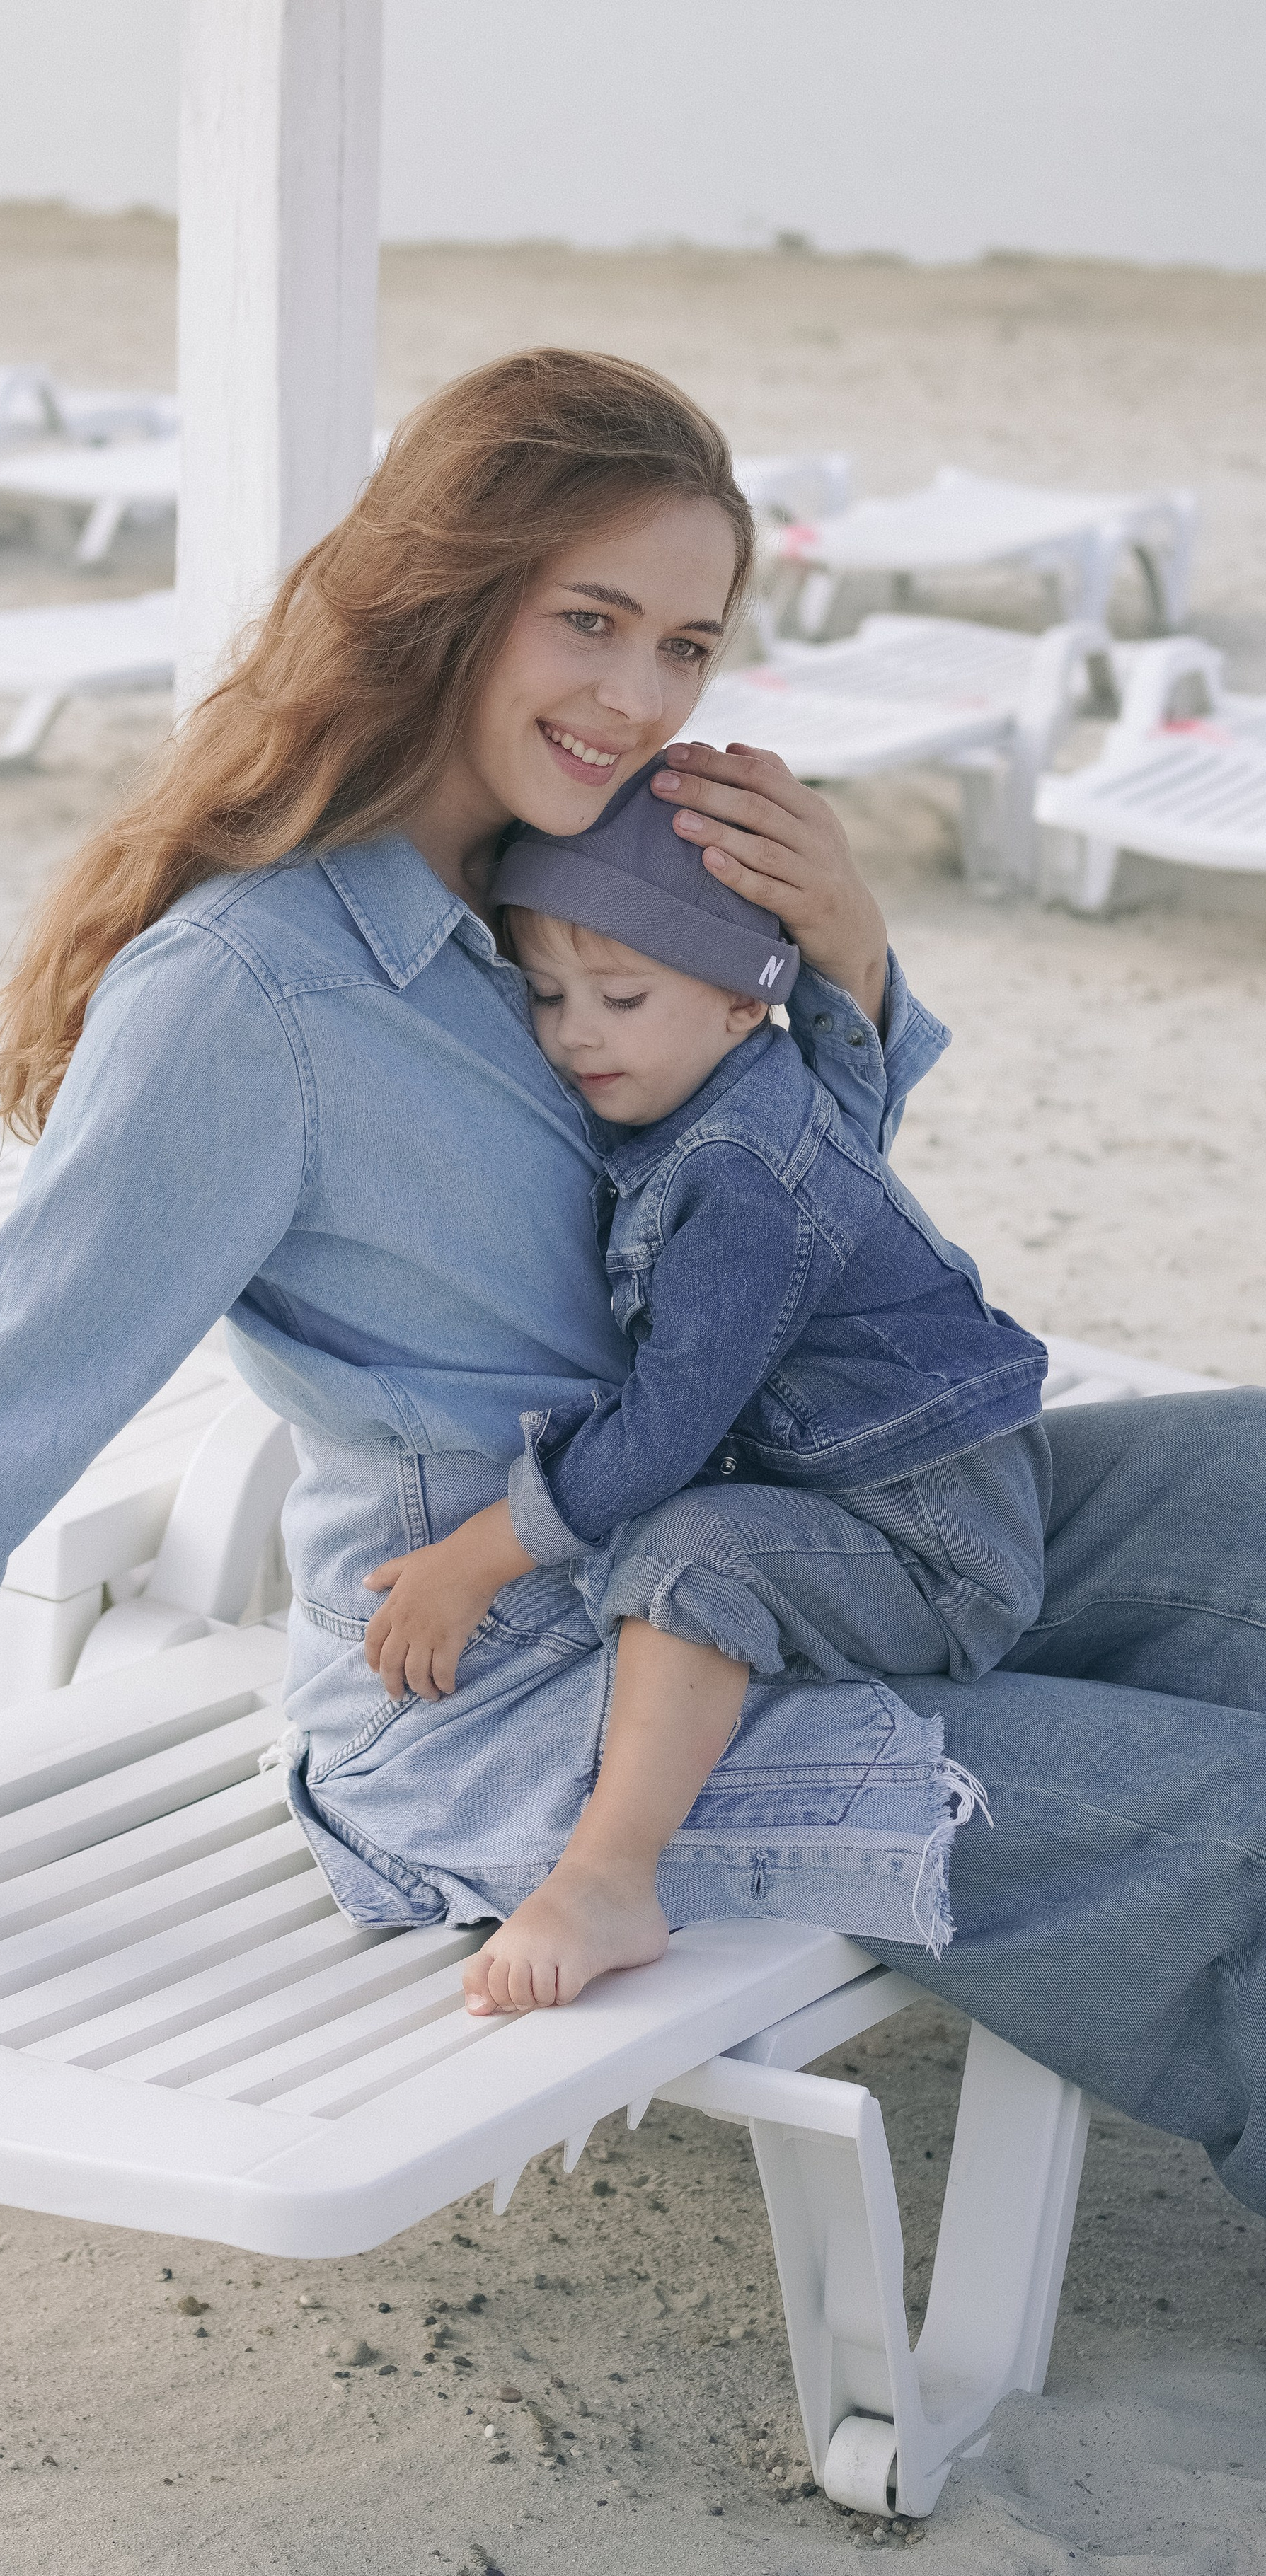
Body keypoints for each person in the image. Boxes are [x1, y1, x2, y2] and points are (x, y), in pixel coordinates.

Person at [0, 352, 1266, 2229]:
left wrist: (854, 966)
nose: (639, 695)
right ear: (451, 589)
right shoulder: (247, 997)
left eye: (685, 644)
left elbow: (795, 1229)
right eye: (591, 620)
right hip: (516, 1704)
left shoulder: (588, 864)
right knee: (1220, 1821)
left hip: (805, 1520)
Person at [360, 774, 1049, 2011]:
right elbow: (847, 1050)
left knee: (688, 1558)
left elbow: (671, 1426)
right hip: (931, 1484)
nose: (577, 1034)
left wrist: (479, 1555)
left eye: (623, 998)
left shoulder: (736, 1173)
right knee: (684, 1541)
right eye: (550, 995)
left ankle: (609, 1877)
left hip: (936, 1541)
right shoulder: (721, 1089)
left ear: (745, 1004)